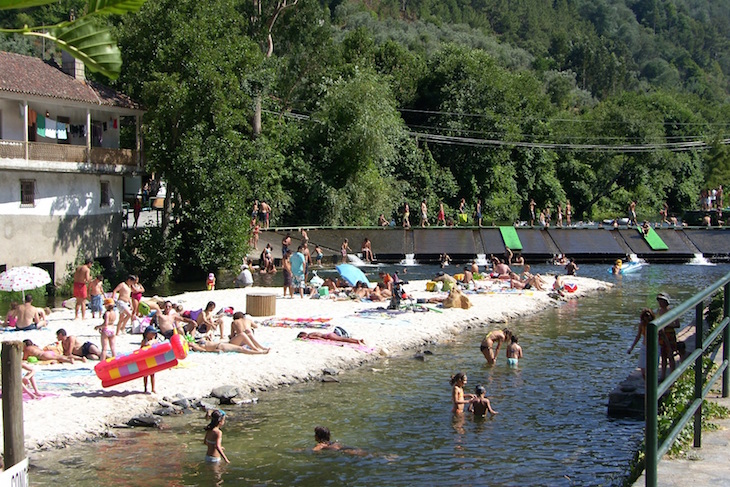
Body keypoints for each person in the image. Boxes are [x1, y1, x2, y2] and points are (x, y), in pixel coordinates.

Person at [628, 308, 657, 380]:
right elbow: (638, 336)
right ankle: (646, 383)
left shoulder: (655, 324)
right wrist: (632, 347)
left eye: (649, 315)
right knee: (642, 367)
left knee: (652, 367)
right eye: (646, 316)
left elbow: (662, 335)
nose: (647, 317)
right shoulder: (642, 325)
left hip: (654, 346)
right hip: (644, 346)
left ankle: (651, 384)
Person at [656, 292, 680, 378]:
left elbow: (677, 324)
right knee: (663, 356)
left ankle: (672, 375)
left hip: (670, 334)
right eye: (659, 301)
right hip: (661, 335)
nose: (660, 303)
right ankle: (663, 375)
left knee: (670, 354)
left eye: (662, 301)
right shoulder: (658, 312)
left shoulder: (672, 312)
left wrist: (666, 325)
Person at [140, 326, 158, 393]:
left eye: (154, 334)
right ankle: (145, 388)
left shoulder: (154, 341)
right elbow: (141, 349)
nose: (154, 335)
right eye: (152, 333)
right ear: (147, 334)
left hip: (152, 359)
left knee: (152, 375)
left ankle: (153, 388)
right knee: (145, 375)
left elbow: (156, 345)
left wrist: (151, 342)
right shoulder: (144, 341)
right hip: (145, 360)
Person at [296, 331, 365, 345]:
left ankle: (357, 341)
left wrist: (325, 341)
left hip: (328, 336)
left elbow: (318, 338)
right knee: (343, 339)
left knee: (343, 339)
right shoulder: (311, 333)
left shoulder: (310, 336)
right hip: (329, 334)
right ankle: (358, 340)